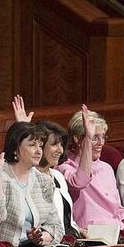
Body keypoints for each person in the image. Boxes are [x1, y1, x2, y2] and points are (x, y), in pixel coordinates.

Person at [56, 107, 124, 235]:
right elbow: (79, 182)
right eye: (95, 137)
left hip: (119, 232)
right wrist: (88, 139)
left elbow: (117, 207)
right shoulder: (64, 167)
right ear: (78, 139)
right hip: (91, 235)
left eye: (103, 137)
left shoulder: (106, 168)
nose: (101, 143)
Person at [0, 122, 63, 247]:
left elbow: (56, 227)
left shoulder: (43, 181)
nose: (39, 151)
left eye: (40, 145)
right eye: (32, 145)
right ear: (15, 148)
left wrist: (41, 238)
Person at [12, 95, 81, 238]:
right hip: (46, 241)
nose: (60, 150)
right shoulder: (29, 176)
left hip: (70, 239)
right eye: (54, 144)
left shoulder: (58, 176)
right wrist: (22, 129)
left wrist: (79, 231)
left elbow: (66, 219)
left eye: (61, 145)